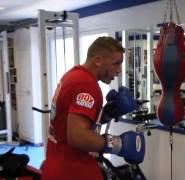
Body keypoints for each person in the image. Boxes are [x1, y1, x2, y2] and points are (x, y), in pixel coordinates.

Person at [41, 37, 142, 180]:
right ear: (98, 60)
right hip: (73, 171)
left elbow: (72, 122)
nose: (119, 70)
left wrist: (106, 114)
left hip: (58, 164)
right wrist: (118, 143)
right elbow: (78, 137)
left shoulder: (74, 75)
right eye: (116, 64)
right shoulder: (87, 85)